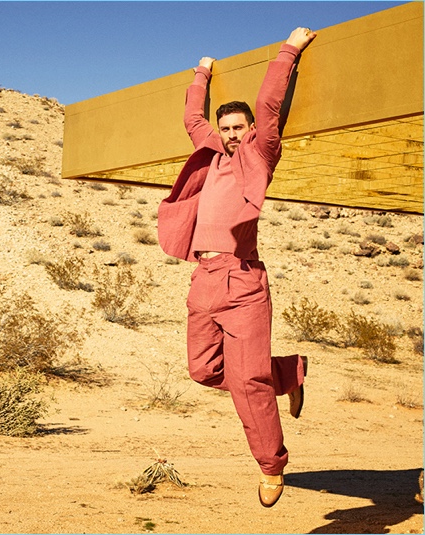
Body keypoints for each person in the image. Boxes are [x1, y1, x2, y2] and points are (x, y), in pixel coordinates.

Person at [157, 27, 317, 508]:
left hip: (244, 281)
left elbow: (269, 107)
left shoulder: (259, 152)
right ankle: (285, 374)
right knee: (203, 371)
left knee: (247, 382)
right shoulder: (212, 153)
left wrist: (288, 50)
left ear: (248, 131)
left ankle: (271, 464)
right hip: (203, 280)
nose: (229, 135)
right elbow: (192, 120)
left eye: (236, 128)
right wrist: (200, 74)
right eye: (224, 128)